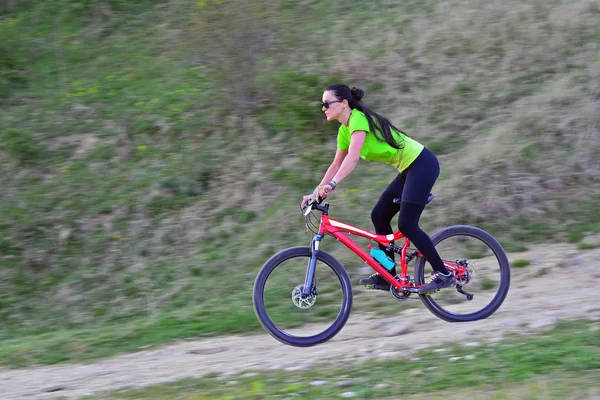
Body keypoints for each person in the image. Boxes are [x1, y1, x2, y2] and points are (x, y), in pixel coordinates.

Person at [301, 83, 455, 294]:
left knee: (407, 225)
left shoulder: (358, 119)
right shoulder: (344, 131)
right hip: (408, 169)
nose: (323, 108)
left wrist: (332, 185)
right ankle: (388, 274)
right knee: (379, 215)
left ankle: (443, 274)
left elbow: (353, 158)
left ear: (344, 103)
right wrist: (316, 191)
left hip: (422, 164)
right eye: (322, 104)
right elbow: (336, 164)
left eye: (327, 103)